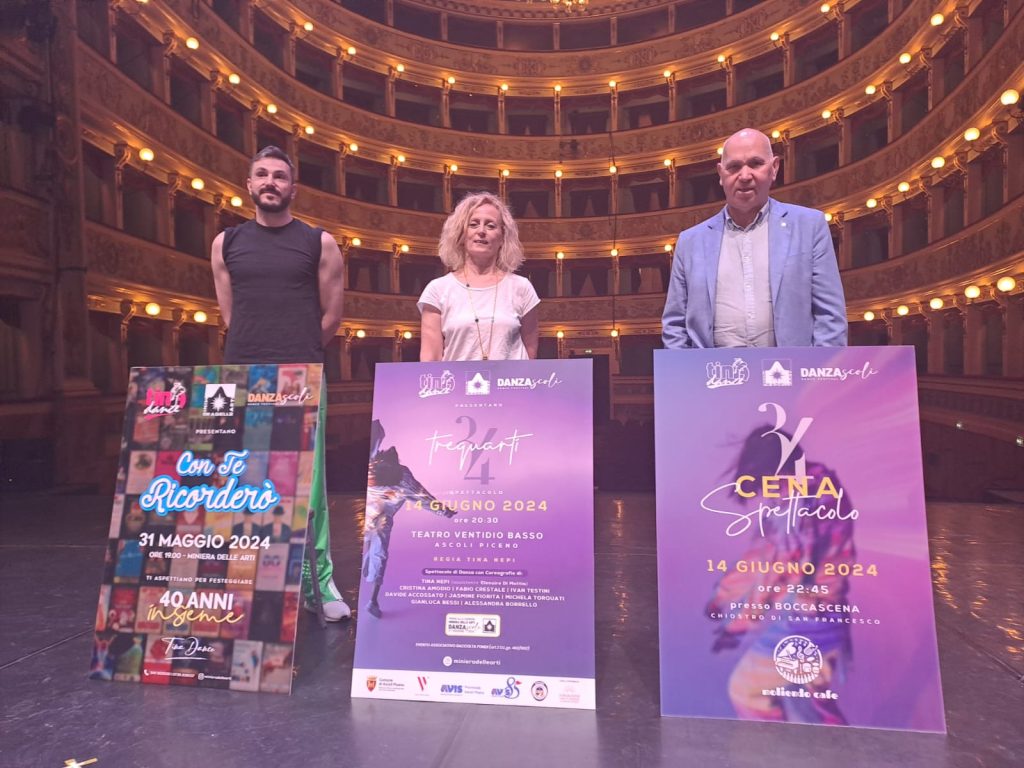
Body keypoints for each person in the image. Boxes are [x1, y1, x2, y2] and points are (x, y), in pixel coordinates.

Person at [211, 145, 350, 621]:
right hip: (242, 375)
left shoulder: (318, 242)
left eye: (279, 176)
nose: (270, 182)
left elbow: (332, 315)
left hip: (301, 375)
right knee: (244, 483)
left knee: (307, 488)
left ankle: (319, 586)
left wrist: (297, 351)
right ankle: (251, 585)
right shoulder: (225, 242)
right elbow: (230, 313)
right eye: (262, 174)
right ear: (249, 184)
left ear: (293, 188)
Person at [706, 427, 854, 724]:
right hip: (823, 616)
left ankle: (772, 748)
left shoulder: (800, 502)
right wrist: (723, 597)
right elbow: (761, 555)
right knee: (808, 707)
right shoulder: (801, 494)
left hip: (810, 620)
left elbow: (784, 569)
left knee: (748, 692)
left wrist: (738, 624)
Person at [662, 128, 847, 349]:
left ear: (774, 168)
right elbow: (674, 326)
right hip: (711, 370)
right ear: (721, 174)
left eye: (755, 164)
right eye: (734, 167)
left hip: (790, 368)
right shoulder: (690, 242)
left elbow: (830, 317)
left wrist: (821, 369)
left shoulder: (810, 226)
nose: (744, 176)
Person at [418, 192, 540, 361]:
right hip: (456, 378)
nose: (481, 231)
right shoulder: (437, 289)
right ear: (461, 234)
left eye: (490, 226)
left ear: (502, 237)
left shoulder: (522, 287)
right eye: (473, 224)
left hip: (511, 379)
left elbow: (530, 353)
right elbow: (430, 359)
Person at [362, 420, 456, 618]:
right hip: (377, 518)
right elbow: (423, 497)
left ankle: (372, 598)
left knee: (376, 553)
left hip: (375, 517)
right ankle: (373, 599)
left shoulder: (399, 476)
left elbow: (423, 497)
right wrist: (444, 511)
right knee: (377, 554)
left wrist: (444, 510)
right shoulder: (397, 474)